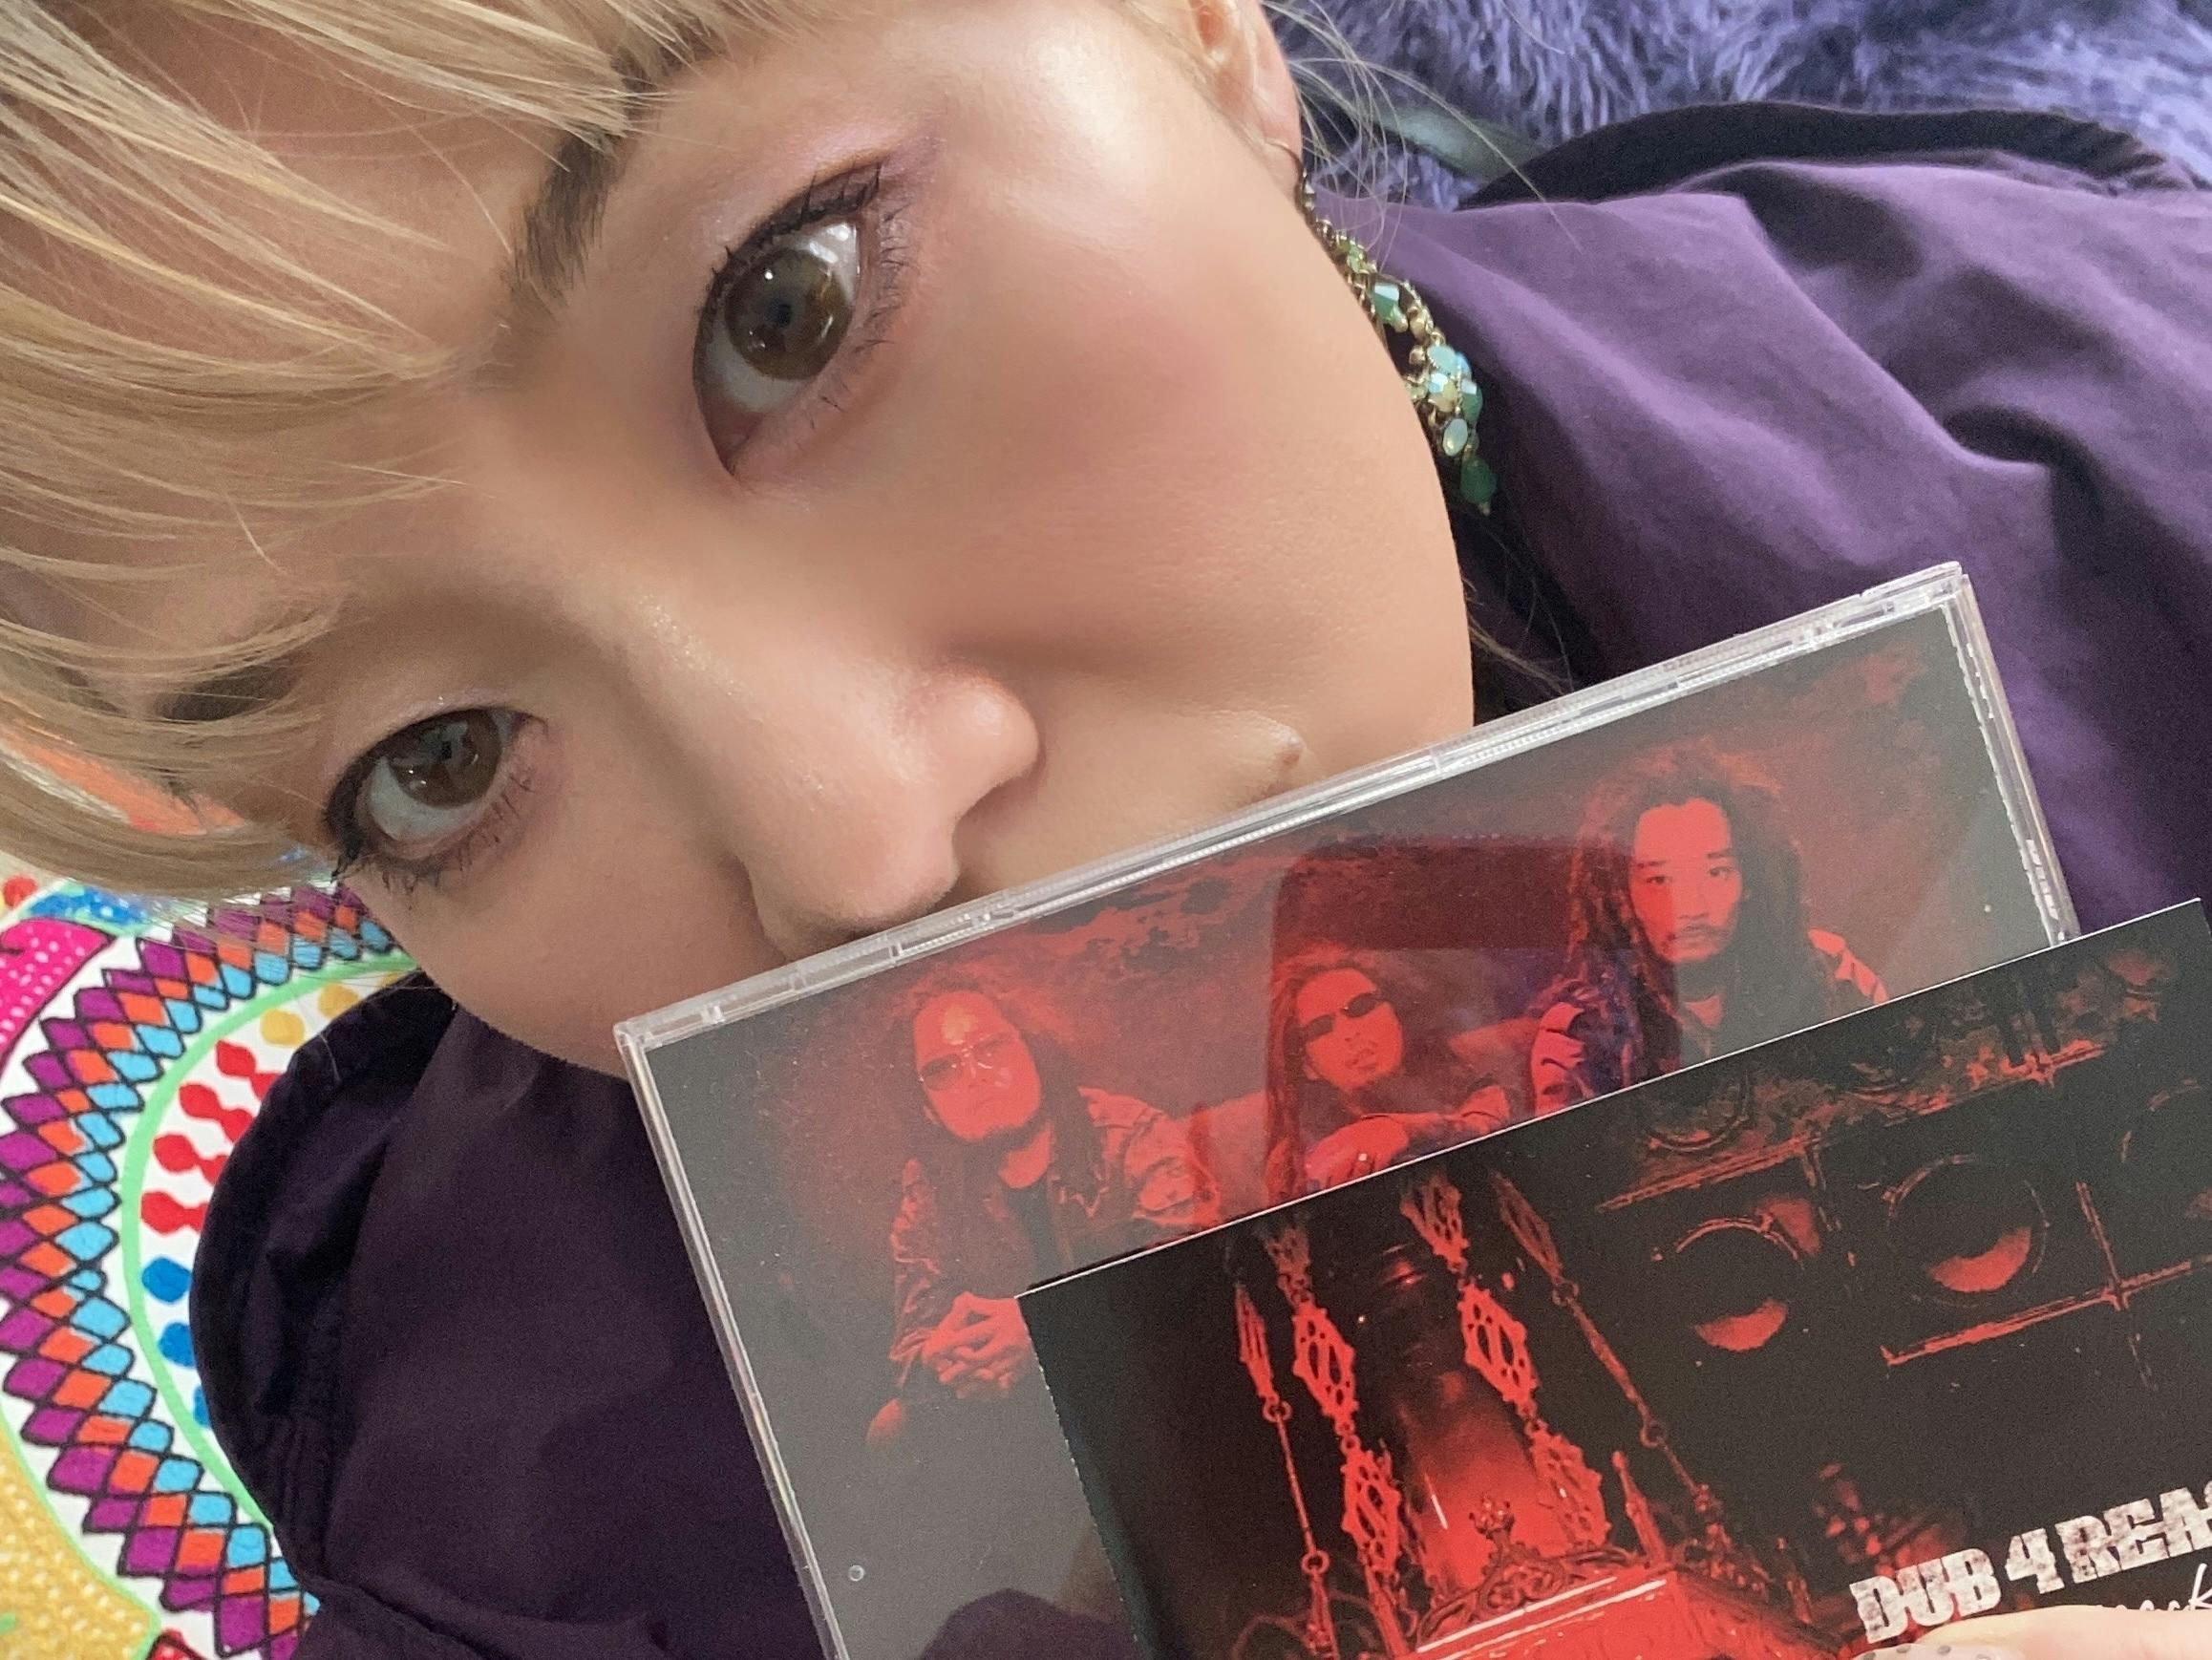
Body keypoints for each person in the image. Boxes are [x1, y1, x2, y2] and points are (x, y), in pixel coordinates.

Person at [0, 1, 2206, 1655]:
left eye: (788, 307)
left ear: (1196, 28)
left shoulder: (2120, 435)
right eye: (437, 762)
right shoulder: (537, 1515)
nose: (855, 844)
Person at [880, 987, 1206, 1427]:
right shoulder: (929, 1186)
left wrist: (1048, 1329)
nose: (974, 1076)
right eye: (943, 1068)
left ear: (1034, 1051)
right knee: (890, 1427)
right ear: (927, 1109)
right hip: (1021, 1404)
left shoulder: (1131, 1134)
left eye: (990, 1047)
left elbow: (1194, 1280)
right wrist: (939, 1358)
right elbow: (911, 1344)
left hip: (1144, 1370)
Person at [1528, 746, 1888, 1115]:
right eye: (1660, 879)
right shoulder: (1581, 1033)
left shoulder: (1829, 972)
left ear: (1749, 880)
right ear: (1622, 893)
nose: (1691, 907)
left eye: (1716, 873)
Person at [1261, 947, 1517, 1201]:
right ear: (1307, 1065)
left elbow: (1487, 1124)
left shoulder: (1470, 1082)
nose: (1350, 1033)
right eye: (1321, 1027)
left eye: (1361, 1007)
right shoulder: (1301, 1159)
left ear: (1398, 1016)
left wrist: (1401, 1129)